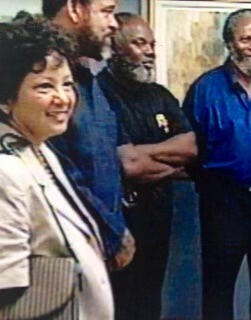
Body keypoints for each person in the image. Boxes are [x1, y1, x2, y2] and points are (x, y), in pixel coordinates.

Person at [183, 9, 251, 320]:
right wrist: (214, 185)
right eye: (246, 38)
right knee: (218, 290)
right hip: (223, 201)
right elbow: (190, 149)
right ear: (230, 41)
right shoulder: (205, 89)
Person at [0, 14, 113, 319]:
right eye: (45, 87)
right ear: (7, 98)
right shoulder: (6, 171)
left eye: (67, 84)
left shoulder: (39, 149)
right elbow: (6, 296)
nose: (63, 98)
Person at [97, 13, 197, 319]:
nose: (151, 51)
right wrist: (169, 163)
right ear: (115, 48)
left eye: (152, 44)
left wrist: (143, 156)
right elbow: (129, 166)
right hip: (116, 224)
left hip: (158, 221)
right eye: (140, 43)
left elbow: (191, 149)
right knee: (118, 304)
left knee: (150, 301)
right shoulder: (99, 93)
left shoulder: (160, 96)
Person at [42, 0, 135, 270]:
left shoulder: (87, 79)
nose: (114, 24)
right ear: (74, 8)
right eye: (106, 11)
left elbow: (106, 163)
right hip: (59, 259)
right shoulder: (36, 80)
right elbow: (55, 172)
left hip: (97, 255)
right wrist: (112, 233)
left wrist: (117, 231)